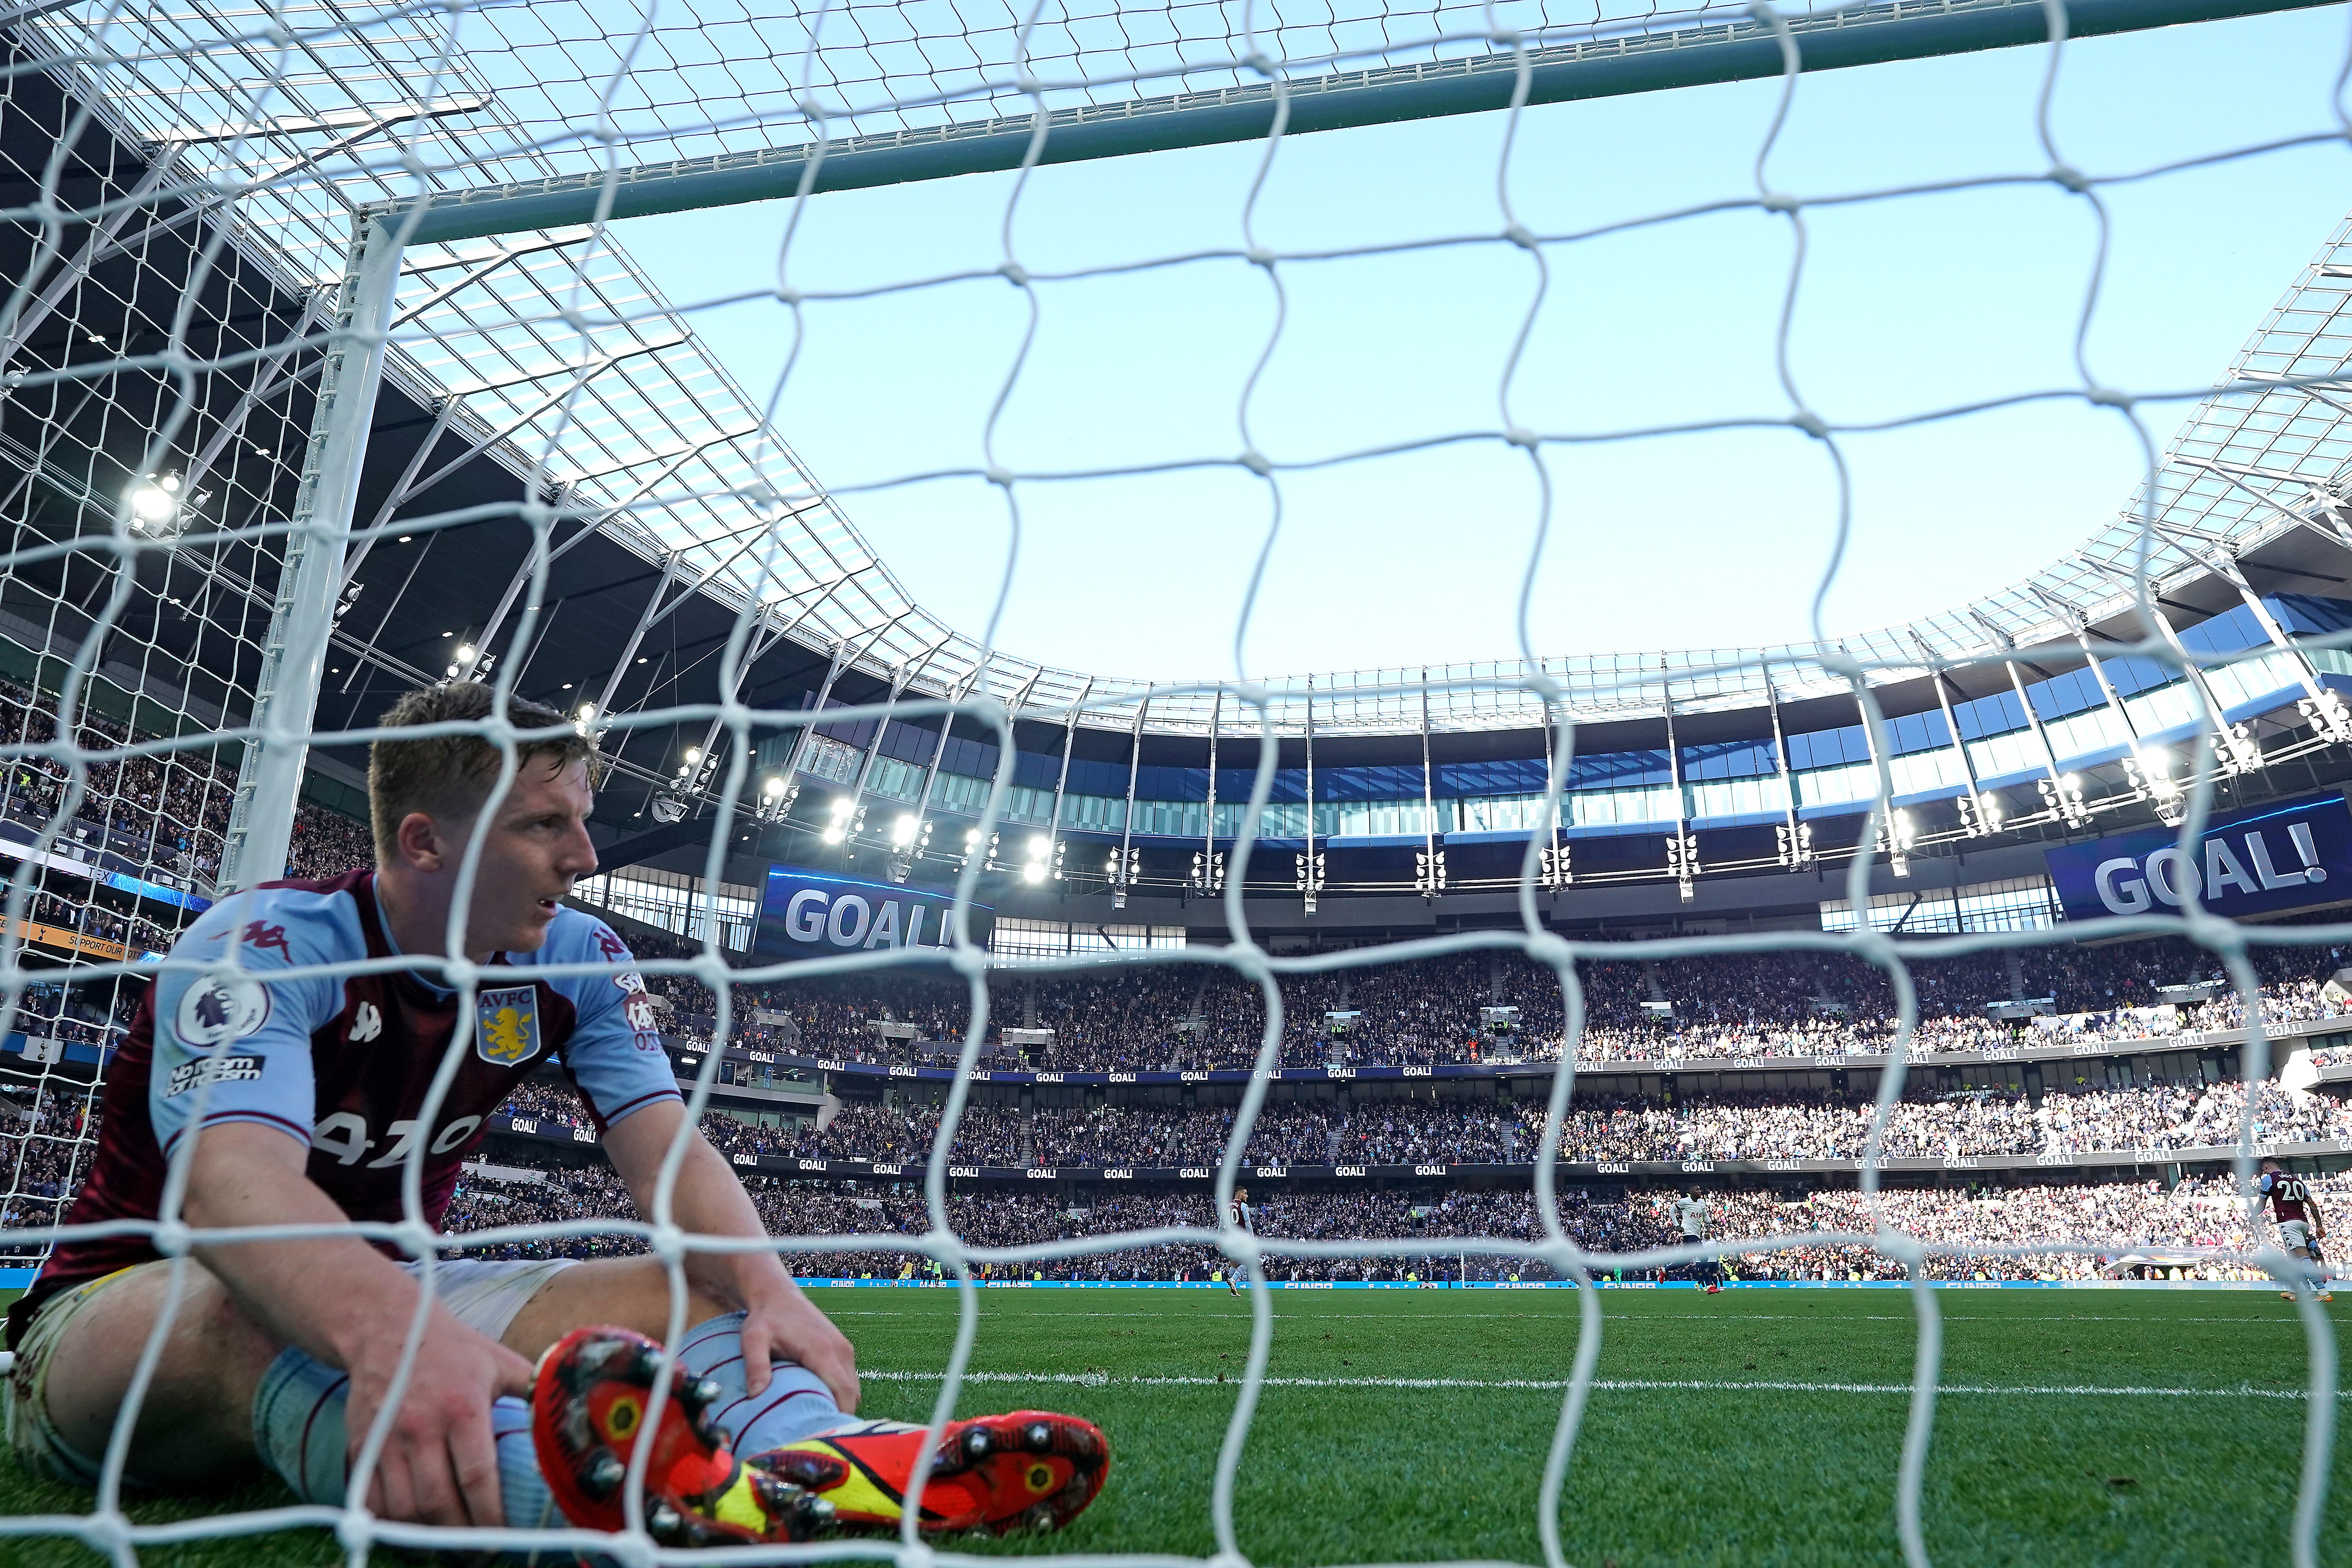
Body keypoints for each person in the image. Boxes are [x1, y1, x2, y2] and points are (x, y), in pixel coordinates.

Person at [2, 683, 1107, 1546]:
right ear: (426, 842)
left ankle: (825, 1467)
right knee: (249, 1301)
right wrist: (392, 1329)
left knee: (698, 1279)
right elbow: (234, 1194)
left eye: (577, 822)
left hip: (398, 1299)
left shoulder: (576, 956)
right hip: (122, 1329)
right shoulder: (265, 947)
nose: (583, 858)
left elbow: (665, 1149)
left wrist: (770, 1289)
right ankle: (613, 1510)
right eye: (546, 826)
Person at [2258, 1158, 2335, 1303]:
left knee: (2302, 1258)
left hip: (2288, 1222)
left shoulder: (2269, 1179)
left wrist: (2252, 1216)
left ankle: (2323, 1292)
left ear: (2266, 1166)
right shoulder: (2297, 1181)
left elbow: (2261, 1206)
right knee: (2293, 1259)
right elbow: (2312, 1205)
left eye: (2263, 1169)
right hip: (2303, 1223)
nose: (2264, 1171)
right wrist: (2319, 1225)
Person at [1671, 1190, 1718, 1291]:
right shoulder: (1684, 1202)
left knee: (1685, 1261)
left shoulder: (1701, 1203)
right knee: (1704, 1256)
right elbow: (1672, 1211)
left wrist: (1711, 1221)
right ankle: (1709, 1286)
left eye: (1700, 1190)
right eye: (1697, 1190)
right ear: (1692, 1192)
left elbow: (1705, 1217)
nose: (1700, 1191)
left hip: (1697, 1235)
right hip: (1688, 1234)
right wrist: (1677, 1225)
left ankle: (1665, 1270)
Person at [1226, 1186, 1253, 1297]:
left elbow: (1222, 1223)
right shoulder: (1243, 1206)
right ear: (1239, 1195)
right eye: (1245, 1194)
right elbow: (1248, 1224)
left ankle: (1233, 1290)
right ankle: (1233, 1280)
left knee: (1233, 1263)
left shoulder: (1227, 1206)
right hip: (1240, 1237)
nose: (1247, 1196)